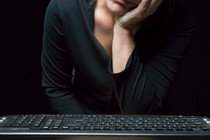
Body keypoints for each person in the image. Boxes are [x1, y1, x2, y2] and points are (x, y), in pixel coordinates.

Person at [41, 0, 197, 114]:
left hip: (146, 132)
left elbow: (137, 112)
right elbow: (57, 89)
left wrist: (123, 29)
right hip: (80, 125)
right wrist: (86, 133)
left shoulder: (178, 22)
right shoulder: (64, 7)